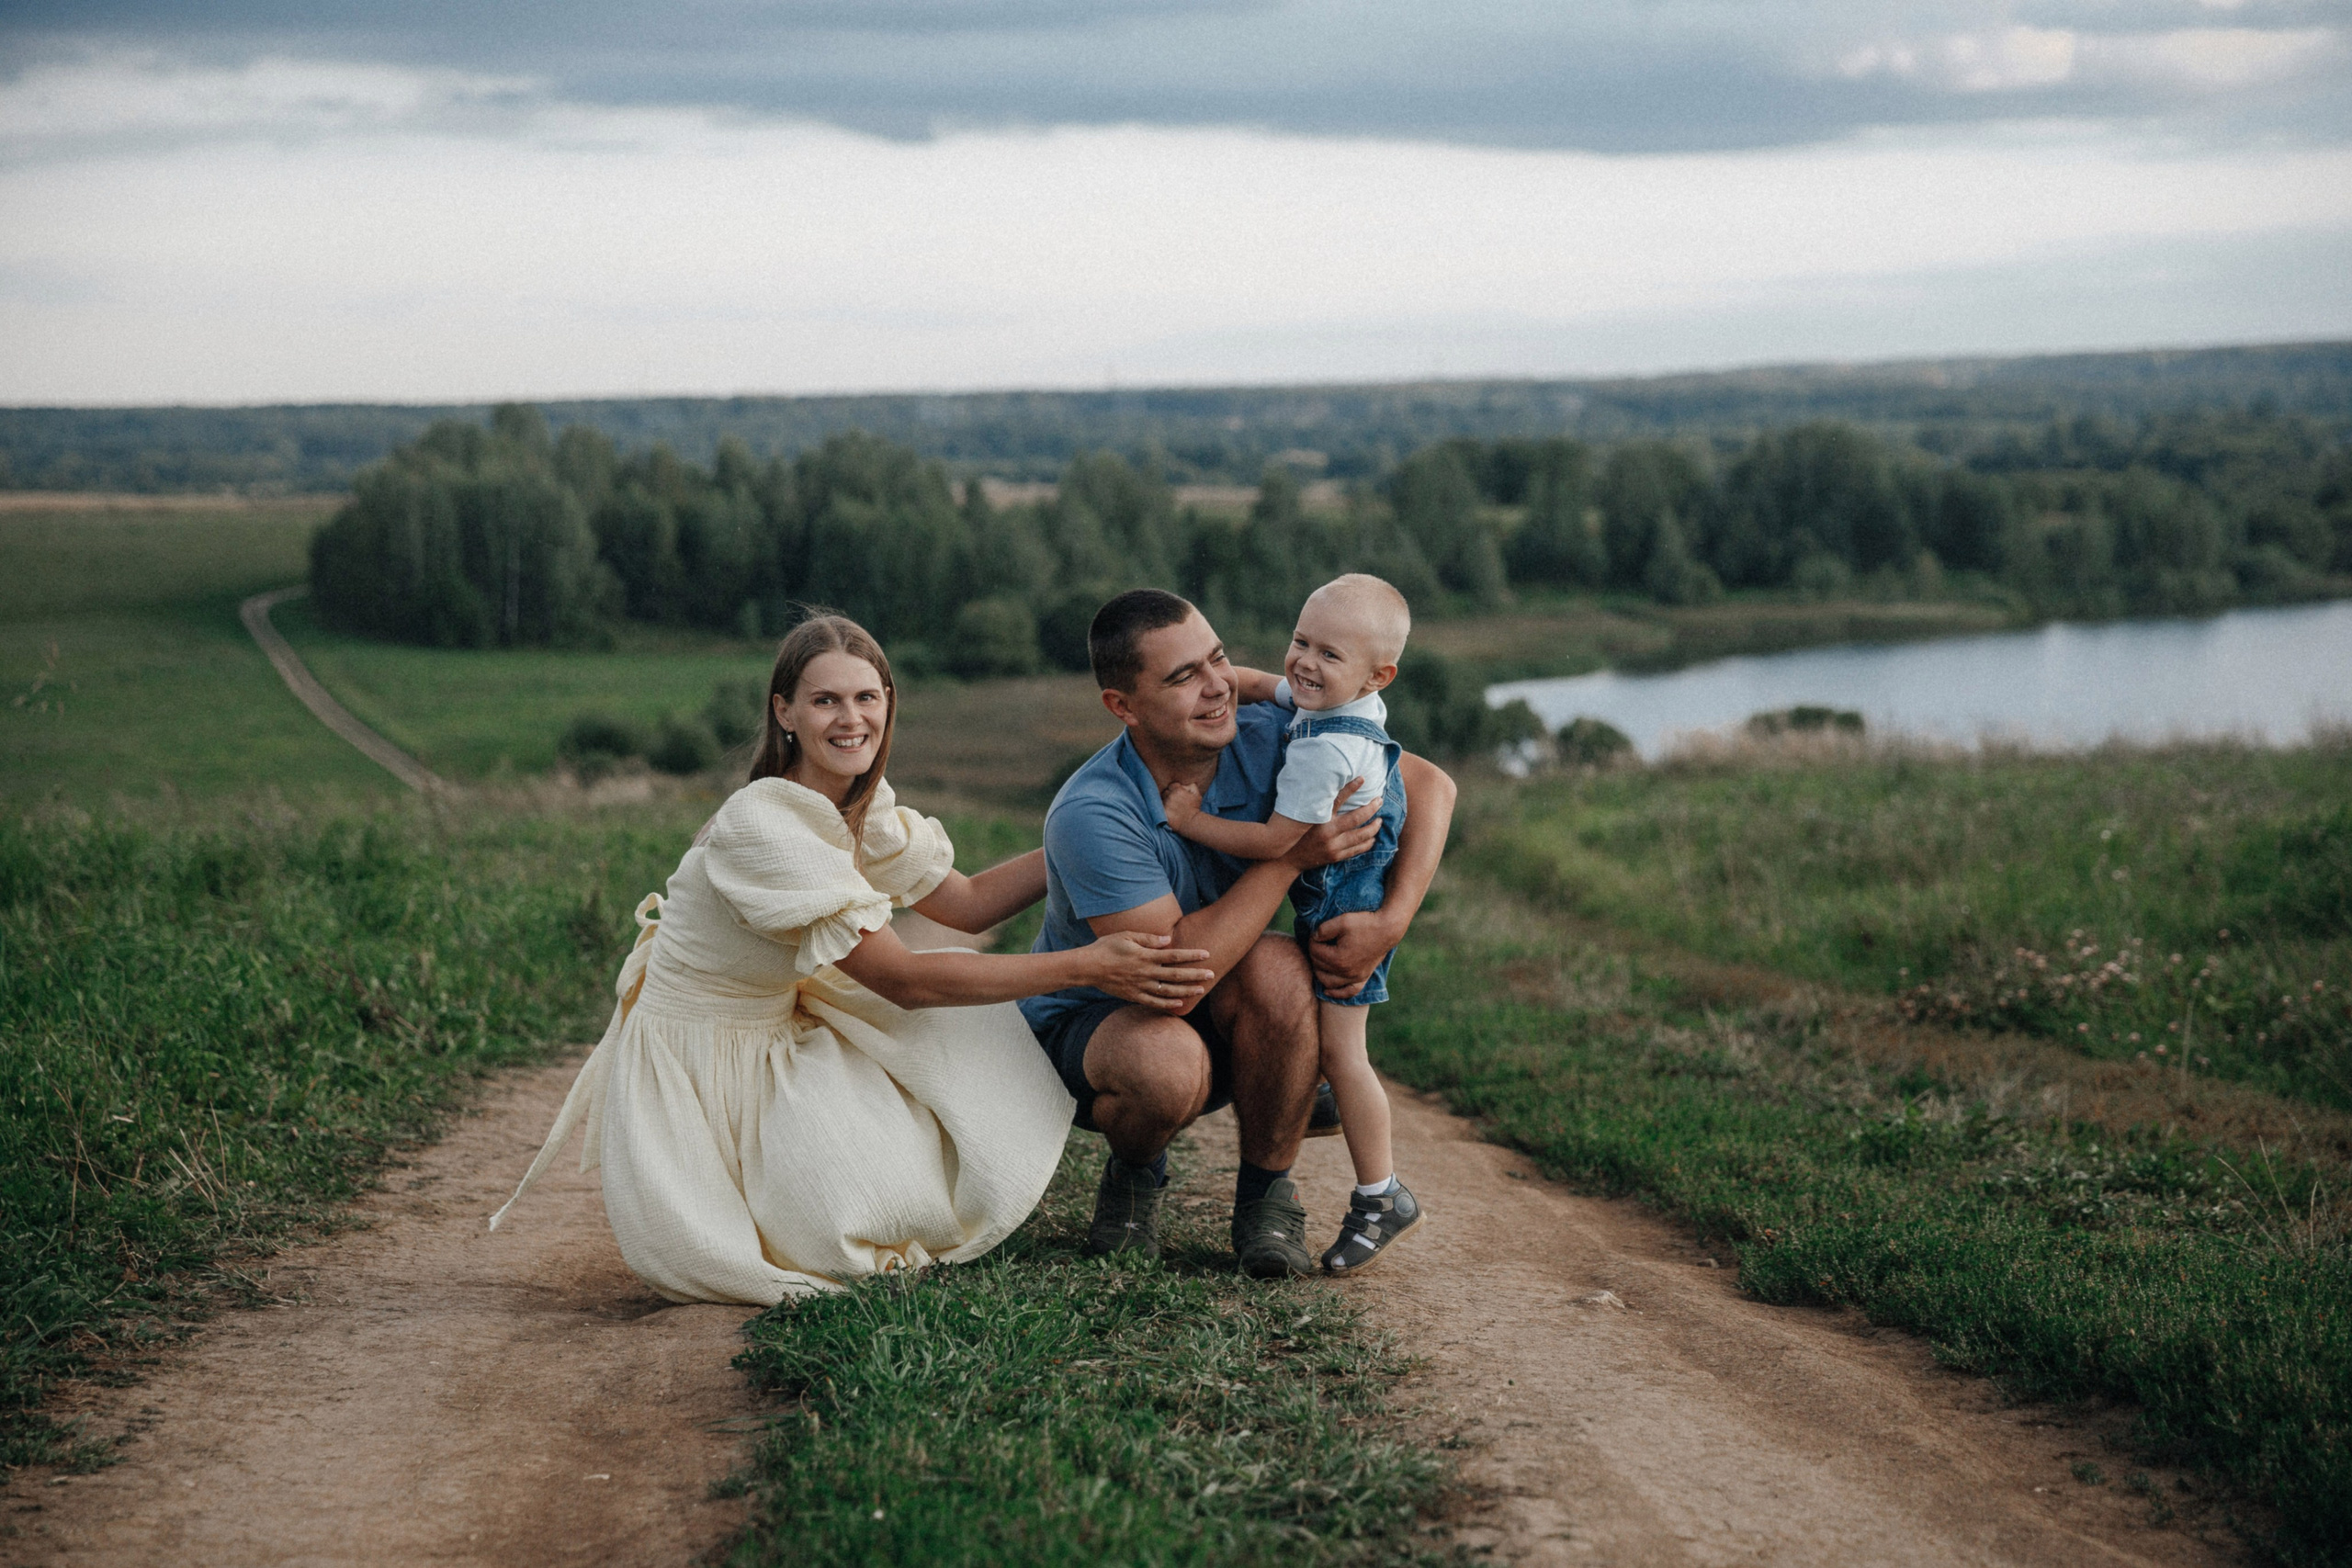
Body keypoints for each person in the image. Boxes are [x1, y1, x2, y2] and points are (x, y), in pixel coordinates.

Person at [491, 615, 1216, 1304]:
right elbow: (905, 980)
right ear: (786, 712)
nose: (851, 718)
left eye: (866, 697)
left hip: (778, 1032)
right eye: (825, 700)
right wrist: (1088, 964)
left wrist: (1085, 823)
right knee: (829, 1237)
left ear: (887, 703)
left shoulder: (847, 807)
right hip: (699, 1057)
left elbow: (965, 903)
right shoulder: (765, 824)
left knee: (909, 1176)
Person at [1021, 589, 1456, 1278]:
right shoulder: (1093, 809)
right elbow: (1175, 974)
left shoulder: (1277, 734)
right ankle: (1136, 1171)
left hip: (1219, 994)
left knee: (1282, 972)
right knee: (1167, 1068)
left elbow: (1431, 787)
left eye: (1217, 658)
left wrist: (1391, 919)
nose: (1218, 686)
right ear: (1123, 706)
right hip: (1103, 1020)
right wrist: (1291, 856)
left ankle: (1265, 1196)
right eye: (1182, 677)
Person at [1161, 574, 1419, 1274]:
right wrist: (1222, 683)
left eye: (1327, 654)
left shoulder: (1321, 749)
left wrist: (1192, 821)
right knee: (1329, 1047)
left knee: (1346, 1052)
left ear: (1376, 673)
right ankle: (1315, 1093)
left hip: (1345, 914)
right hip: (1350, 895)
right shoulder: (1344, 702)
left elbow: (1279, 843)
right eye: (1300, 641)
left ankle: (1380, 1192)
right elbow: (1265, 682)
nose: (1303, 663)